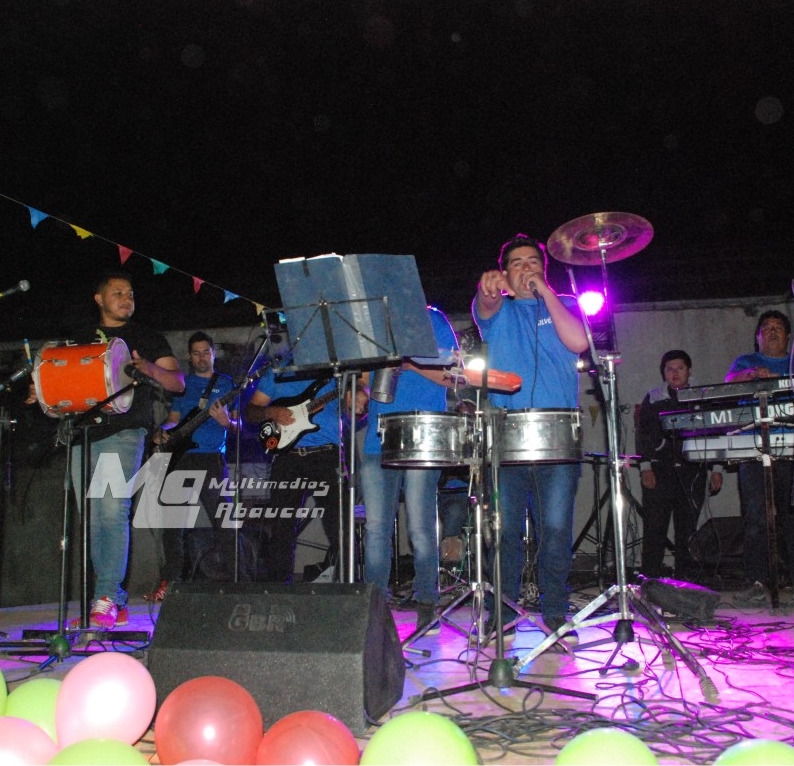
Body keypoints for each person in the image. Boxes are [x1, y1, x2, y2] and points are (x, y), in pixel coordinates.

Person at [30, 271, 185, 629]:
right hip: (83, 434)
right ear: (99, 299)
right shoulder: (78, 338)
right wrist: (42, 389)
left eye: (130, 293)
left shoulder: (146, 337)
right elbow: (60, 376)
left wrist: (149, 368)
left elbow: (177, 382)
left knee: (113, 511)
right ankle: (108, 598)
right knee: (93, 517)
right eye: (118, 293)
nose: (127, 298)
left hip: (123, 432)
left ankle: (108, 598)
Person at [474, 233, 589, 638]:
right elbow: (485, 303)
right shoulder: (498, 311)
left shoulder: (565, 304)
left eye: (533, 262)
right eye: (517, 263)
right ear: (505, 273)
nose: (526, 268)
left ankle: (555, 610)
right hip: (507, 435)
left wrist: (546, 292)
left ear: (545, 268)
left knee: (555, 529)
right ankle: (502, 611)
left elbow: (579, 341)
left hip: (558, 436)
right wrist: (489, 289)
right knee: (504, 529)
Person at [360, 306, 459, 634]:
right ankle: (374, 604)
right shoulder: (374, 323)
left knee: (420, 526)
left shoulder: (434, 321)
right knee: (376, 528)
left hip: (422, 436)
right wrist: (358, 393)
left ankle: (427, 601)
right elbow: (364, 379)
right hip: (378, 437)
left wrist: (409, 364)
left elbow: (453, 375)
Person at [242, 368, 367, 583]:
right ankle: (279, 588)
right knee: (281, 527)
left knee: (340, 525)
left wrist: (358, 408)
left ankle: (349, 587)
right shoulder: (277, 372)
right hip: (287, 457)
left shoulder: (333, 371)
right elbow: (250, 412)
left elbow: (353, 414)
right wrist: (271, 412)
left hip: (326, 455)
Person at [726, 310, 794, 606]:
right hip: (753, 448)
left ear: (788, 337)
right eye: (766, 328)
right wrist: (751, 376)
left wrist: (779, 379)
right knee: (756, 517)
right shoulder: (745, 361)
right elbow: (729, 383)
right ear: (758, 337)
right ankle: (756, 581)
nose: (772, 332)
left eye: (778, 328)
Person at [147, 331, 238, 600]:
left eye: (205, 352)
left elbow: (239, 426)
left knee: (223, 521)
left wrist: (226, 422)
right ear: (190, 356)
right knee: (173, 526)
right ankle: (171, 584)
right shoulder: (183, 385)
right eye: (196, 353)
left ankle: (238, 581)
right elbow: (174, 419)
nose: (201, 358)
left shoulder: (227, 384)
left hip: (211, 458)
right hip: (183, 459)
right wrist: (161, 431)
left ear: (213, 353)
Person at [635, 350, 723, 581]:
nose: (675, 373)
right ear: (663, 373)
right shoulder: (653, 398)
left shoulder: (702, 396)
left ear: (689, 371)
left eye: (680, 368)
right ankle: (650, 580)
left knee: (687, 529)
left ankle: (685, 581)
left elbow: (716, 431)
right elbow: (643, 435)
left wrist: (716, 469)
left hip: (692, 472)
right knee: (654, 528)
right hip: (659, 472)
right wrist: (645, 467)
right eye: (669, 369)